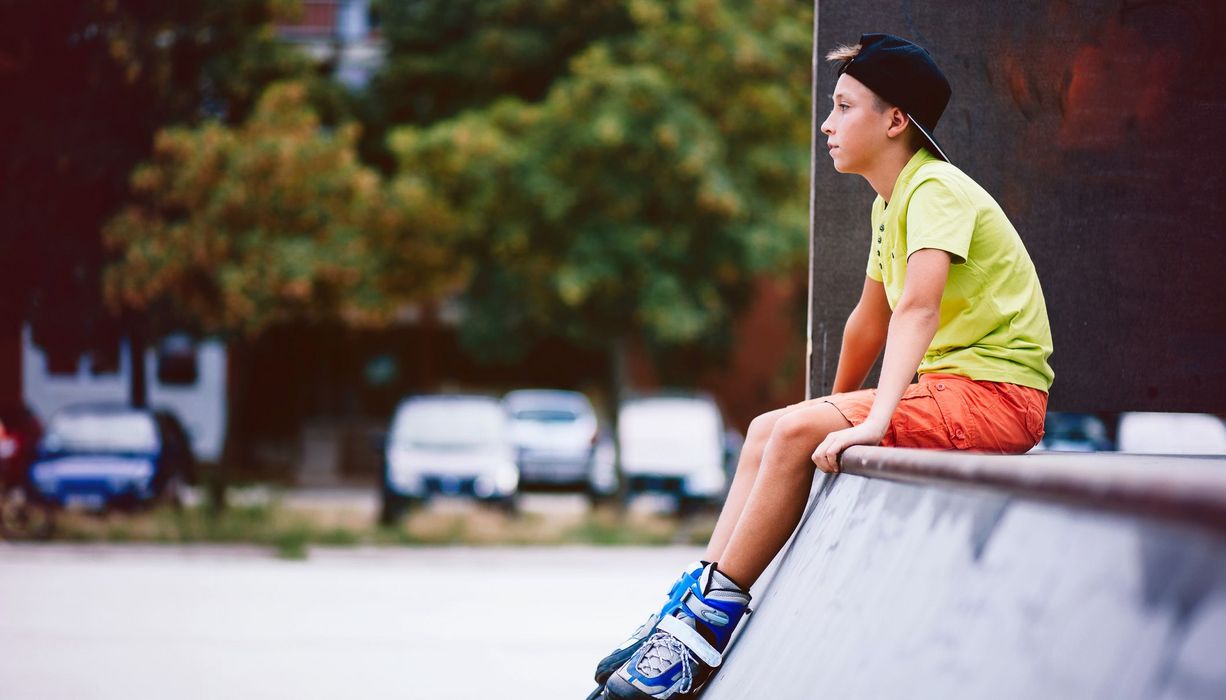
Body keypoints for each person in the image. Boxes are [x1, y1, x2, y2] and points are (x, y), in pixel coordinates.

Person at [592, 33, 1055, 700]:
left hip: (995, 397)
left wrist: (871, 420)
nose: (827, 124)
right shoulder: (889, 202)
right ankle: (693, 598)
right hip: (955, 391)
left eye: (844, 107)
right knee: (767, 428)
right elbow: (868, 319)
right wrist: (821, 412)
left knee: (791, 431)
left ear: (896, 121)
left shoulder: (937, 189)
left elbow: (917, 310)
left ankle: (703, 635)